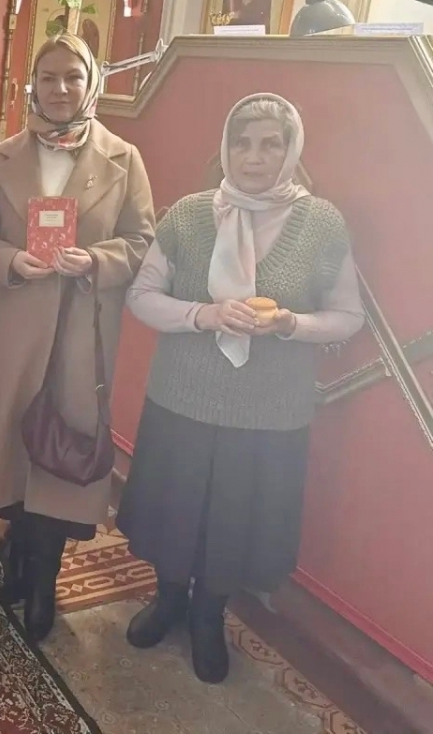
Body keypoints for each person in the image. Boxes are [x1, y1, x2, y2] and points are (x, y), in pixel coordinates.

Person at [118, 93, 363, 684]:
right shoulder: (188, 215)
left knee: (236, 518)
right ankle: (168, 598)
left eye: (270, 144)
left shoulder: (321, 223)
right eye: (242, 143)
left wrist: (290, 324)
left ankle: (209, 615)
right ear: (225, 148)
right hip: (183, 396)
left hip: (269, 410)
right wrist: (202, 314)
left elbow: (348, 316)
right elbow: (141, 295)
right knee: (175, 508)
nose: (254, 157)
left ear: (291, 150)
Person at [0, 33, 154, 642]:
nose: (59, 89)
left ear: (92, 83)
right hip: (20, 322)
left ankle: (44, 576)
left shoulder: (123, 159)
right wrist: (9, 260)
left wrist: (96, 260)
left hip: (83, 325)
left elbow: (143, 241)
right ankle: (17, 554)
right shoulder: (3, 157)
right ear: (34, 84)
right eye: (48, 77)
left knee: (65, 439)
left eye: (72, 77)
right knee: (14, 439)